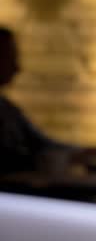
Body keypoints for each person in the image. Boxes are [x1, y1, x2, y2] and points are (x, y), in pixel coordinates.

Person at [0, 27, 72, 174]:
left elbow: (44, 144)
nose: (17, 68)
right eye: (10, 57)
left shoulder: (8, 109)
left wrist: (85, 152)